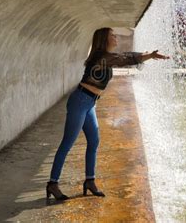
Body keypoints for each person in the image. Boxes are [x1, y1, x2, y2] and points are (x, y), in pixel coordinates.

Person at [46, 27, 169, 200]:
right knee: (68, 142)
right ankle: (53, 183)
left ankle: (90, 181)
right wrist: (149, 55)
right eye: (112, 35)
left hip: (89, 103)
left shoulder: (106, 57)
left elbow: (124, 56)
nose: (116, 37)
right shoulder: (100, 57)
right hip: (80, 101)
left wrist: (149, 55)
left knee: (94, 141)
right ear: (104, 39)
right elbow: (125, 58)